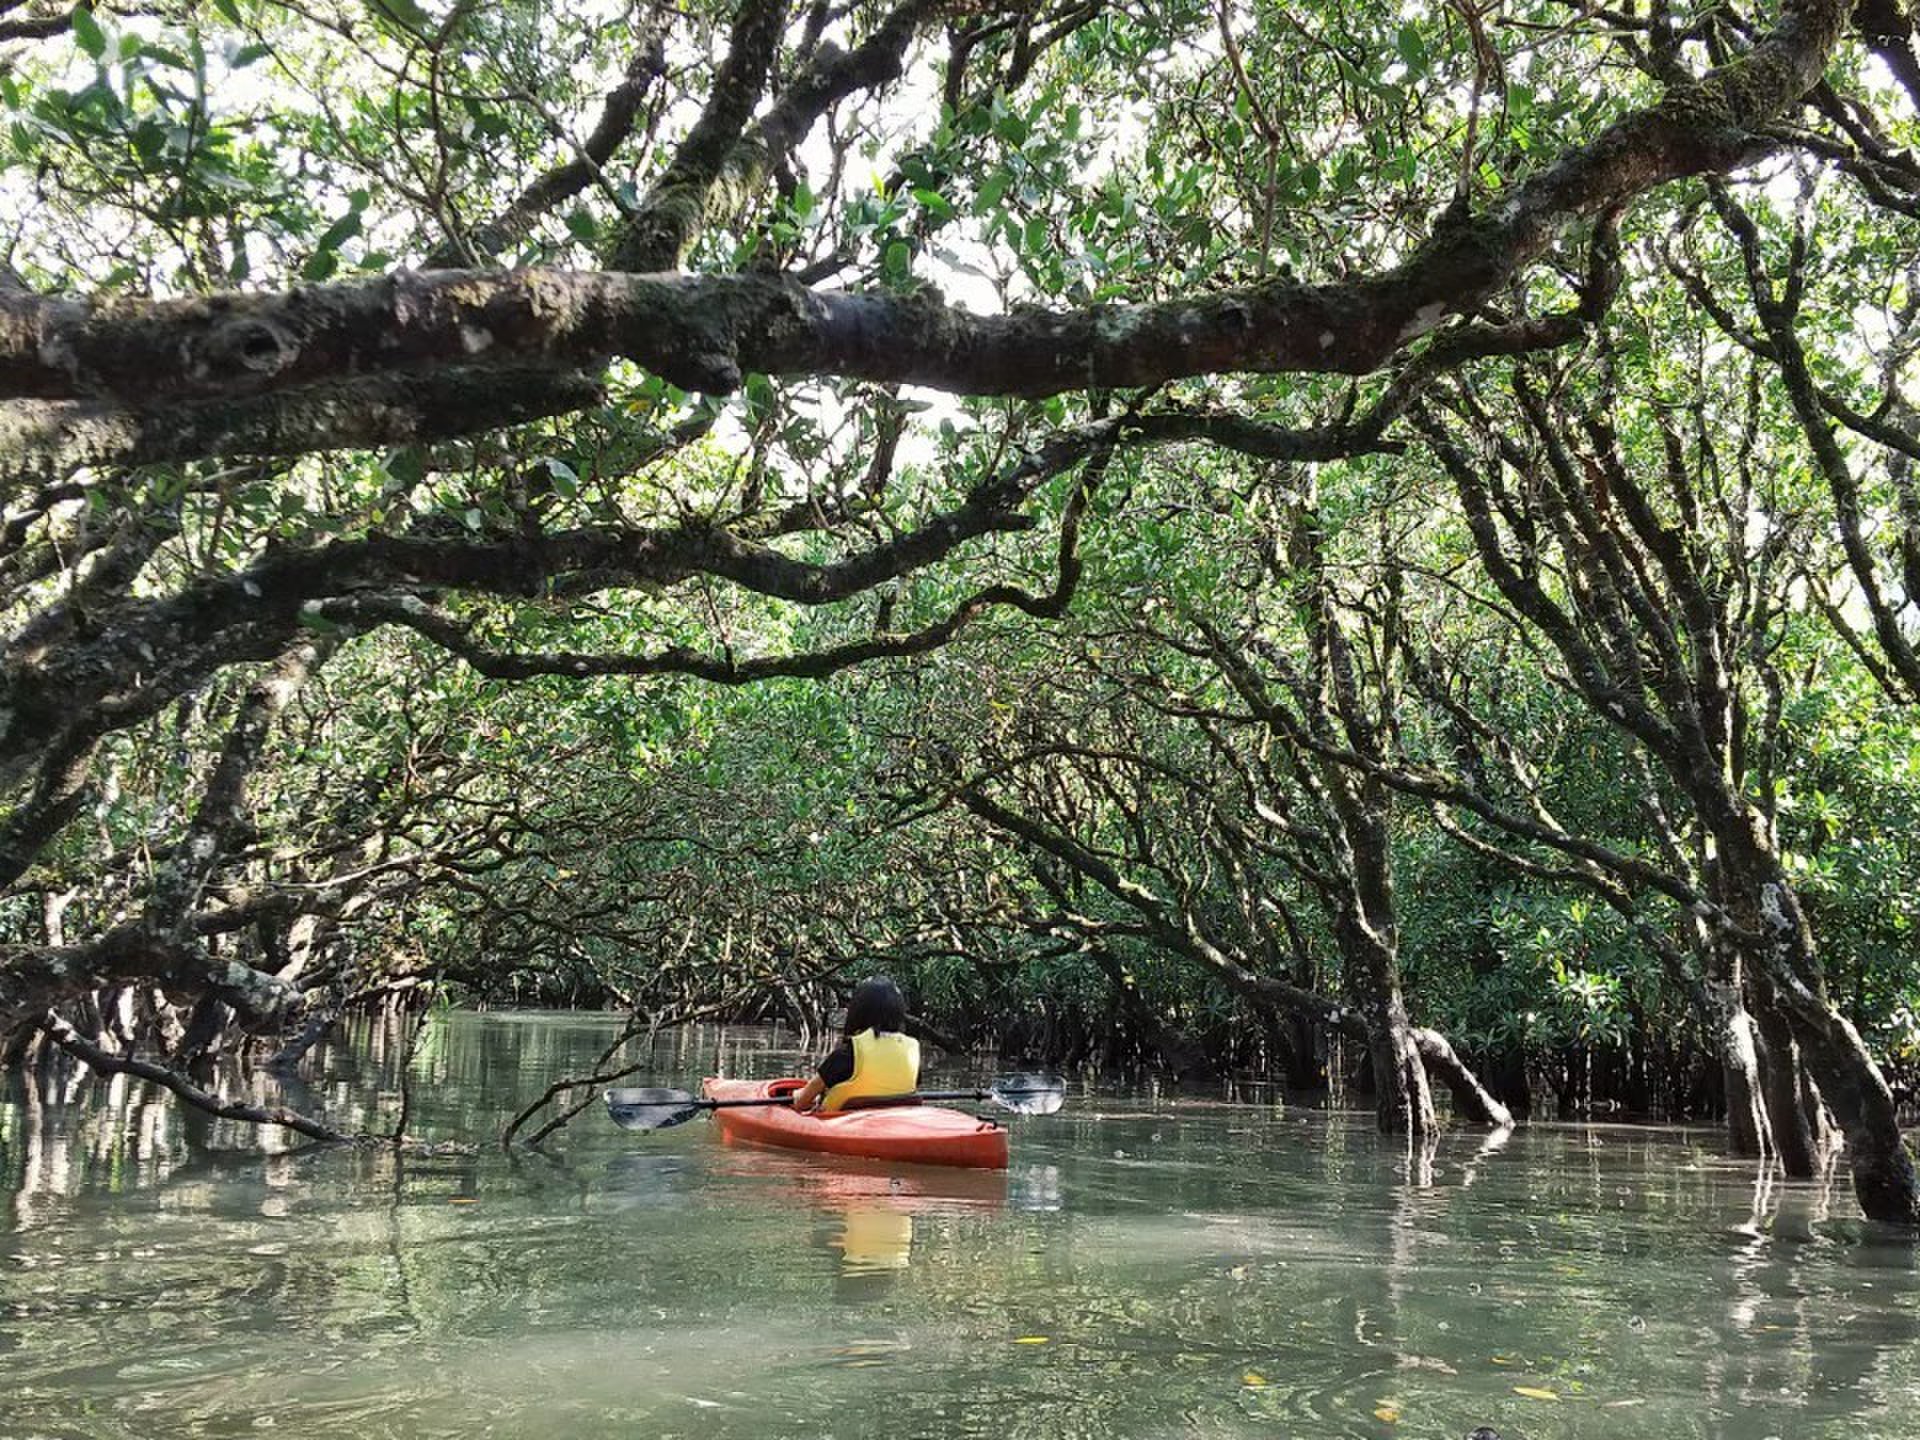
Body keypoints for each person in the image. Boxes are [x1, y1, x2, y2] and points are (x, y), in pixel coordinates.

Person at [791, 976, 920, 1113]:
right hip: (895, 1125)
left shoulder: (844, 1056)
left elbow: (801, 1103)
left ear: (858, 1012)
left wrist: (796, 1095)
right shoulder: (912, 1050)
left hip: (844, 1129)